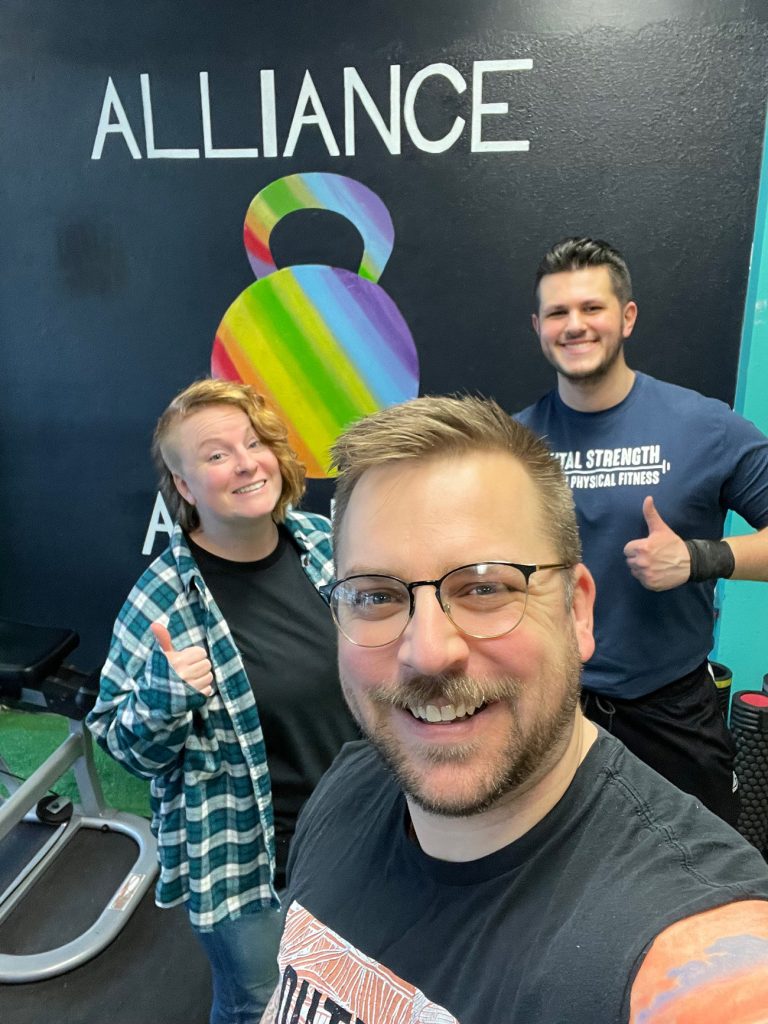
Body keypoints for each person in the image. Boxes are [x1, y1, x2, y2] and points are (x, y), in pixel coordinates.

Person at [261, 395, 768, 1024]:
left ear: (578, 611)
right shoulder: (349, 787)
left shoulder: (692, 953)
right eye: (377, 596)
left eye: (483, 588)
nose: (427, 652)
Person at [87, 379, 358, 1024]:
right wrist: (163, 694)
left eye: (256, 441)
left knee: (346, 986)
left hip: (355, 830)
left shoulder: (323, 543)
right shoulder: (163, 601)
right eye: (215, 455)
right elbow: (122, 746)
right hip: (247, 864)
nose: (245, 462)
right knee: (259, 1007)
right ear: (183, 487)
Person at [516, 237, 768, 825]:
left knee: (703, 883)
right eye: (557, 313)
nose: (574, 325)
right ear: (537, 326)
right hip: (550, 709)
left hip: (671, 710)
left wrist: (702, 558)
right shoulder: (514, 442)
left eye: (591, 308)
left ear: (626, 317)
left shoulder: (705, 426)